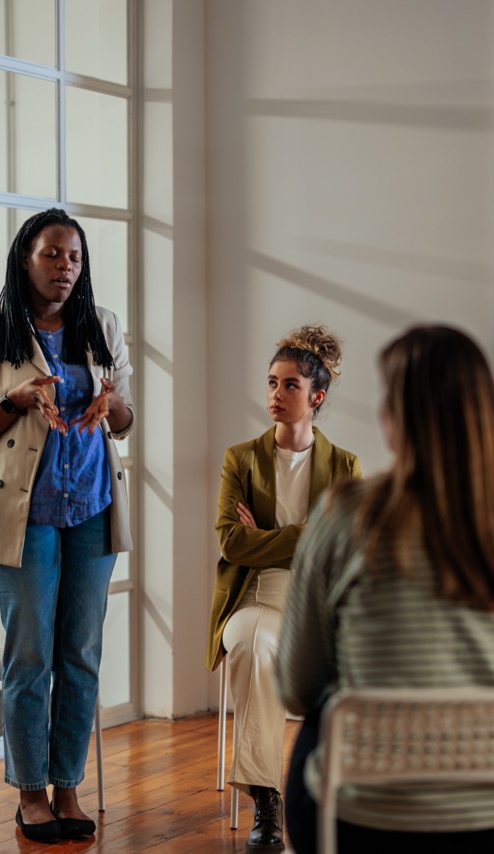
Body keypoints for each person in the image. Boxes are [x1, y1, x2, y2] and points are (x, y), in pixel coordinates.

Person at [277, 325, 494, 854]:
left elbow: (298, 686)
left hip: (368, 821)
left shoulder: (348, 514)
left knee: (321, 718)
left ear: (397, 415)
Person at [0, 207, 133, 844]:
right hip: (22, 515)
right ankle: (30, 793)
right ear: (25, 259)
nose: (65, 267)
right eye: (52, 254)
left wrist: (112, 404)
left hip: (92, 508)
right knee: (30, 655)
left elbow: (125, 421)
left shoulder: (102, 324)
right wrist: (16, 400)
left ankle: (68, 786)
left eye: (75, 257)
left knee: (80, 653)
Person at [205, 325, 361, 853]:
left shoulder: (345, 466)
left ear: (317, 396)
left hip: (321, 602)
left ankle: (355, 797)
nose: (276, 393)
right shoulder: (240, 459)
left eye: (291, 384)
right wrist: (307, 534)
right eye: (272, 382)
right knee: (253, 646)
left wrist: (267, 538)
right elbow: (232, 544)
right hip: (258, 596)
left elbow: (344, 550)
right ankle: (267, 799)